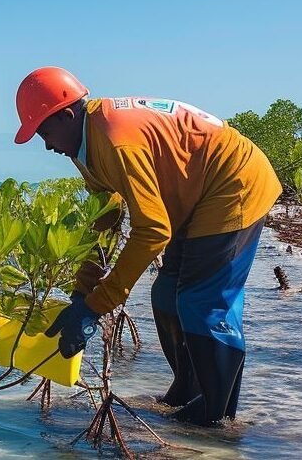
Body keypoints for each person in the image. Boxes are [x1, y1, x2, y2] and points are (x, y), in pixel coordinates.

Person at [14, 67, 281, 426]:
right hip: (196, 193)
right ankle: (187, 391)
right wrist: (81, 293)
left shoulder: (115, 140)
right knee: (166, 294)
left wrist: (96, 307)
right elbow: (106, 221)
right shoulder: (84, 147)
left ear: (67, 115)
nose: (46, 145)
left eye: (45, 132)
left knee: (202, 301)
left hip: (234, 183)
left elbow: (153, 231)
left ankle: (215, 418)